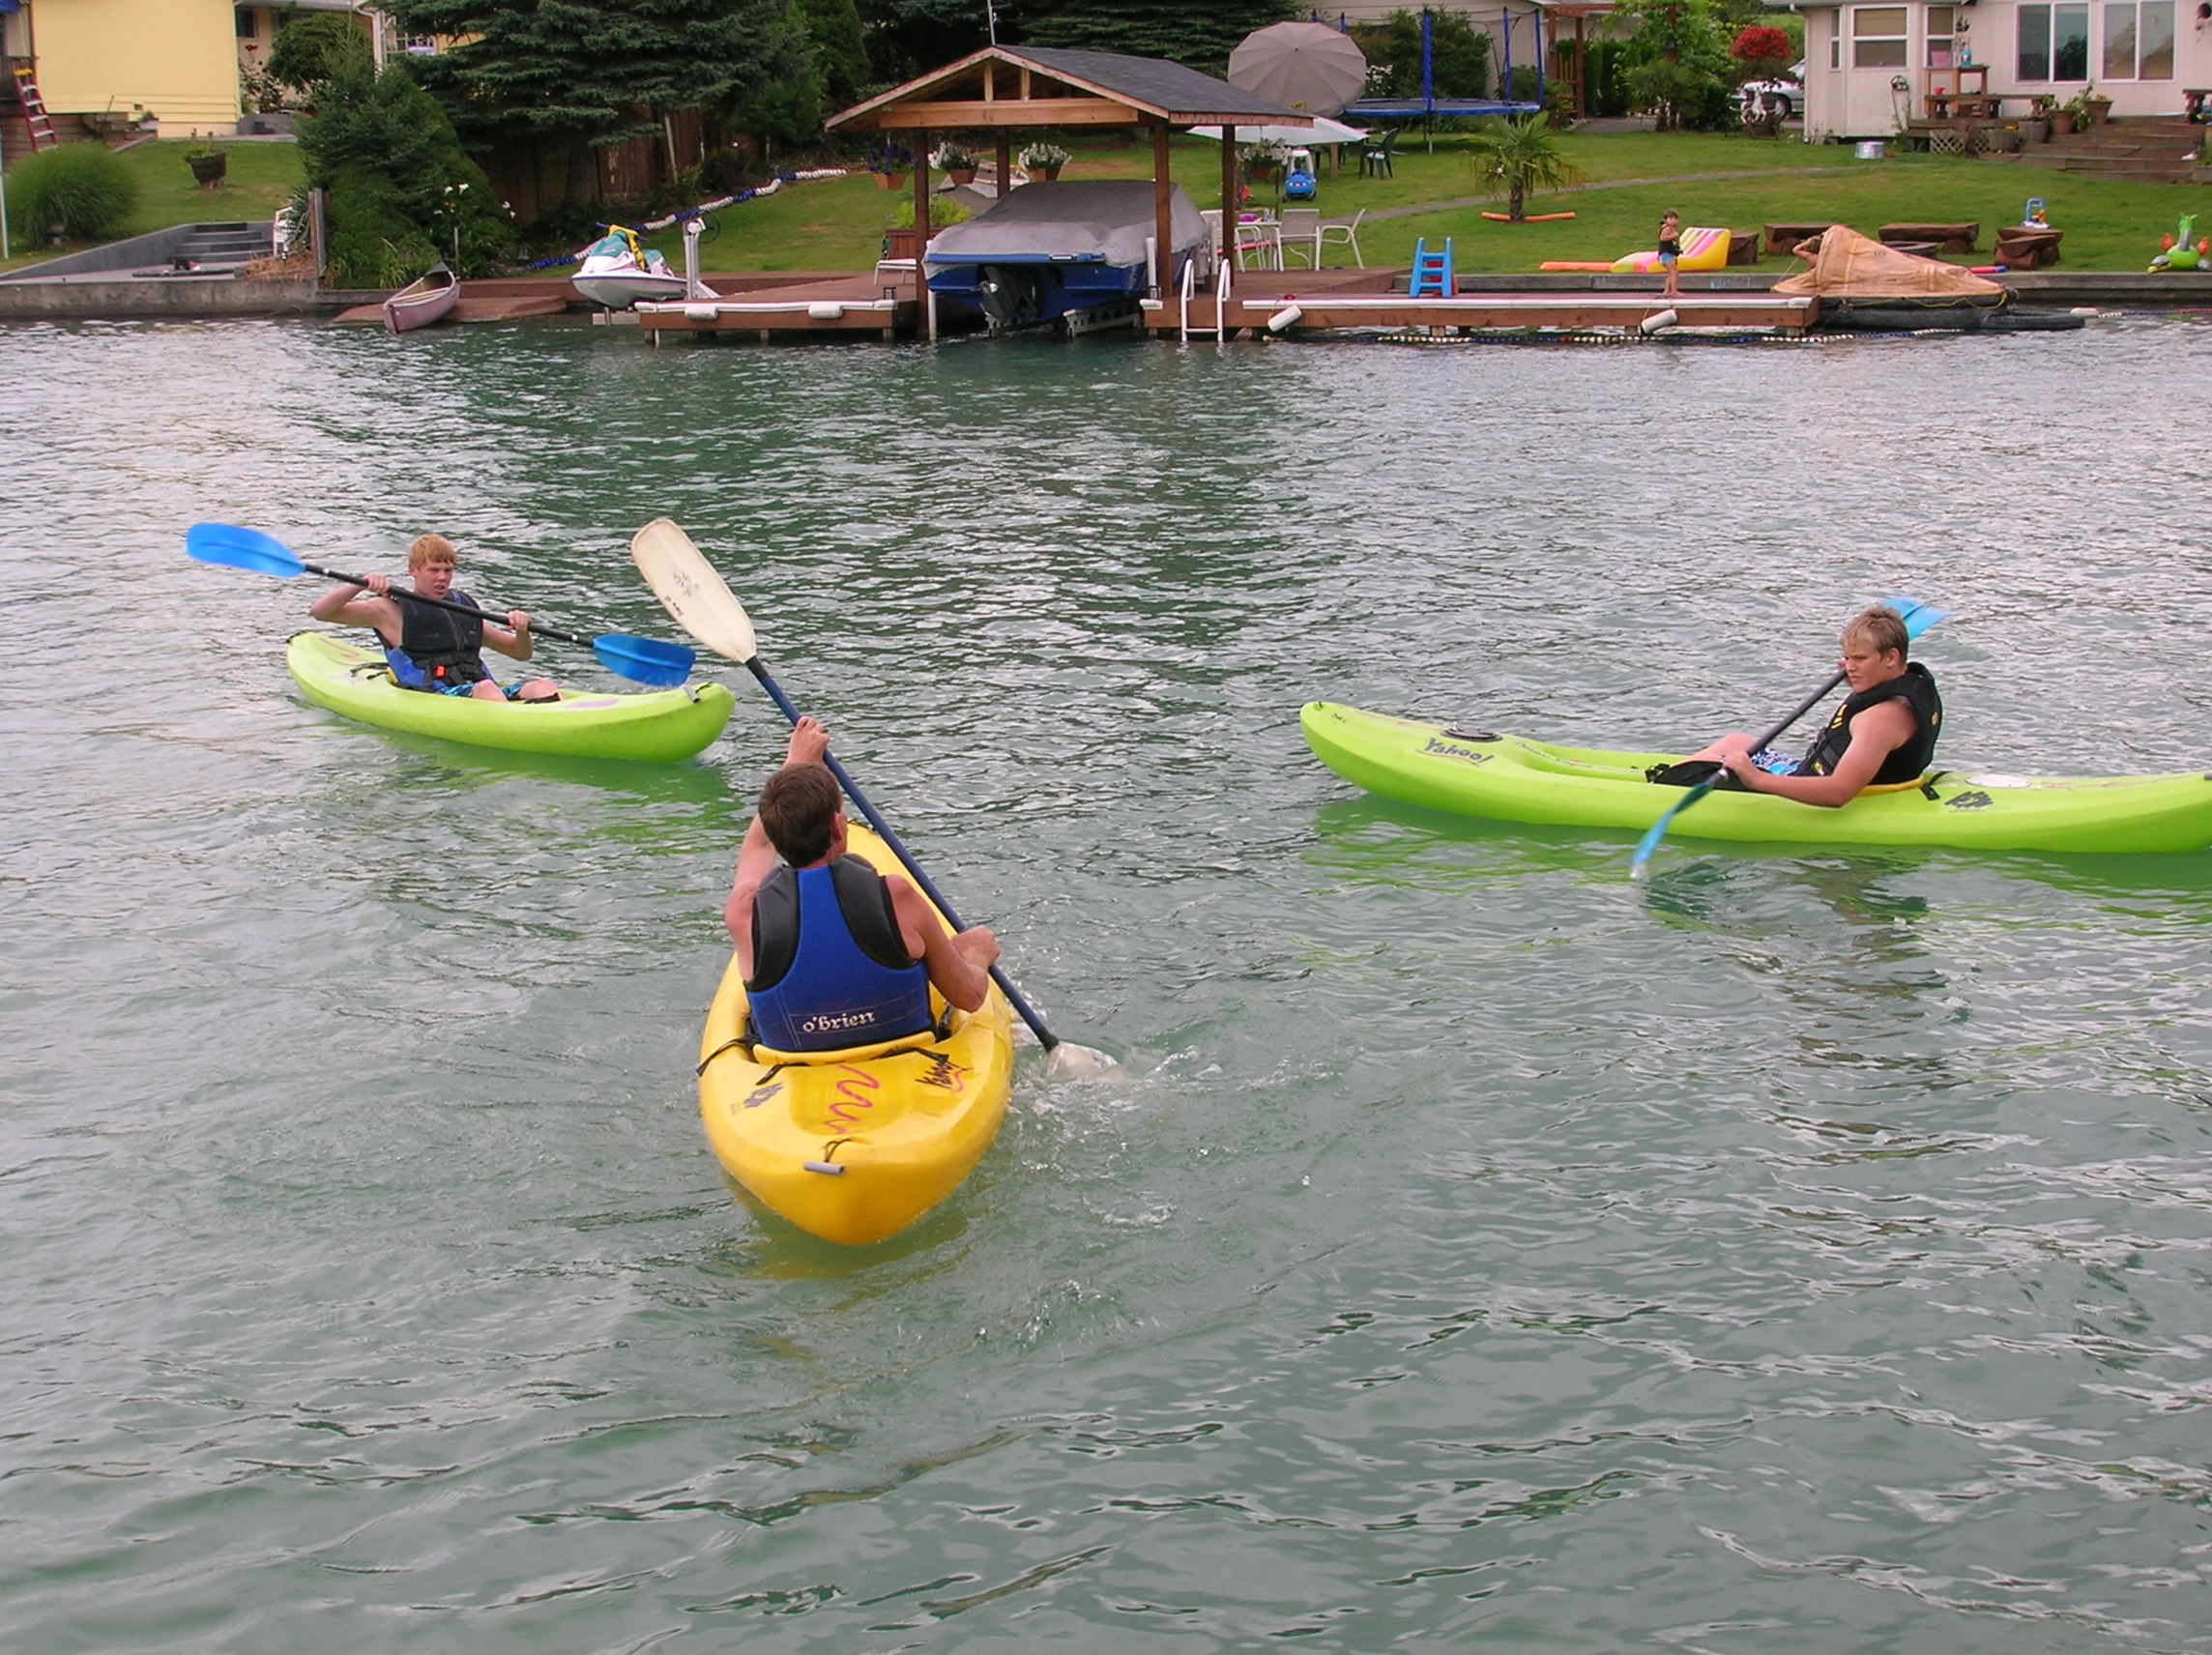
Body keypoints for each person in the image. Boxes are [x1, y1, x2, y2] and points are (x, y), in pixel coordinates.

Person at [725, 716, 1000, 1054]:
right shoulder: (897, 898)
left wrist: (794, 763)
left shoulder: (744, 911)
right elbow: (969, 997)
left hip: (793, 1067)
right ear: (839, 828)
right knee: (963, 947)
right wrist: (975, 955)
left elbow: (758, 845)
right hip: (905, 1055)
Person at [1688, 604, 1942, 807]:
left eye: (1860, 659)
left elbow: (1839, 793)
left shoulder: (1882, 719)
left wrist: (1757, 779)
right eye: (1847, 658)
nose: (1850, 666)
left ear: (1891, 657)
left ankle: (1658, 792)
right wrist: (1859, 674)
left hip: (1814, 790)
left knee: (1696, 770)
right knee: (1735, 742)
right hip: (1808, 770)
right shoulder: (1909, 681)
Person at [306, 533, 559, 703]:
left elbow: (520, 654)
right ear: (413, 571)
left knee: (543, 686)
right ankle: (520, 728)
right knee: (486, 688)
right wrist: (359, 584)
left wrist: (522, 630)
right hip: (433, 695)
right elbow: (321, 612)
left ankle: (552, 728)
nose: (442, 577)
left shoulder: (463, 609)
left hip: (480, 693)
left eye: (448, 570)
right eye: (434, 570)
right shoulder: (388, 610)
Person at [1657, 209, 1683, 300]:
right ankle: (1674, 291)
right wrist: (1674, 236)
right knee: (1674, 271)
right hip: (1666, 254)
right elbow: (1662, 238)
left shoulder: (1671, 229)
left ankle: (1667, 291)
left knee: (1671, 272)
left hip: (1668, 254)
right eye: (1670, 218)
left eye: (1675, 219)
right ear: (1666, 219)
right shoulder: (1667, 229)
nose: (1673, 221)